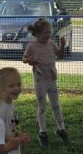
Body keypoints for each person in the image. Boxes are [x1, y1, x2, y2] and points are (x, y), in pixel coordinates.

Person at [23, 18, 68, 146]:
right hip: (40, 79)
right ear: (37, 34)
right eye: (45, 33)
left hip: (51, 78)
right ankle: (42, 132)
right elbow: (24, 58)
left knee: (56, 105)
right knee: (42, 106)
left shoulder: (51, 43)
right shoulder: (32, 46)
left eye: (49, 32)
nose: (48, 35)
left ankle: (61, 128)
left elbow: (60, 56)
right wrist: (29, 60)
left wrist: (63, 45)